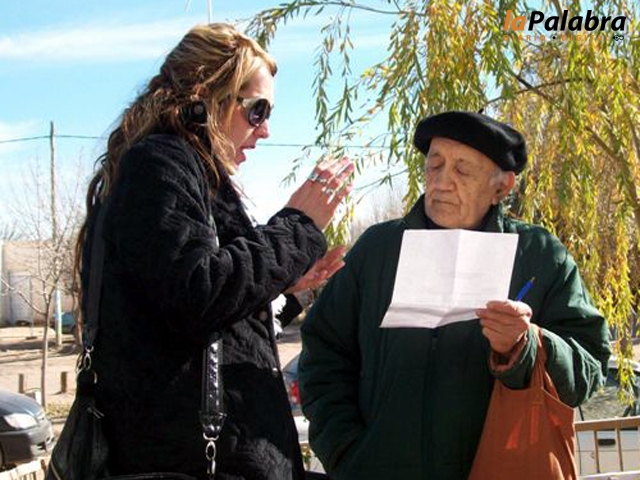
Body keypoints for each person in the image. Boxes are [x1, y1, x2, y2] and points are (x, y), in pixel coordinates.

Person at [74, 23, 353, 480]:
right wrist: (297, 227)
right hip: (192, 461)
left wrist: (287, 292)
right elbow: (198, 293)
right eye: (257, 110)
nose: (265, 130)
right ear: (207, 96)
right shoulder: (158, 164)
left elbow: (208, 323)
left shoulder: (187, 173)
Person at [298, 111, 611, 480]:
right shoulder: (377, 249)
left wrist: (525, 346)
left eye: (462, 170)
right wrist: (346, 452)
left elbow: (590, 370)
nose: (442, 182)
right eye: (435, 165)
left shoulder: (540, 255)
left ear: (502, 186)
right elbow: (323, 353)